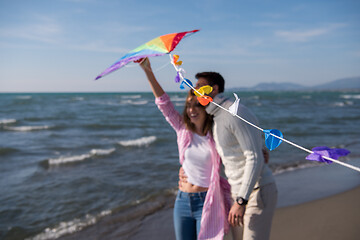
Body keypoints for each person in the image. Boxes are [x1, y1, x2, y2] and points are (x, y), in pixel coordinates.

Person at [137, 58, 231, 240]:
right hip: (182, 201)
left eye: (197, 105)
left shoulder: (217, 133)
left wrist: (259, 149)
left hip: (208, 201)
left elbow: (238, 144)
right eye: (188, 105)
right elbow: (163, 103)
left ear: (206, 107)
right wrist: (148, 71)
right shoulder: (182, 130)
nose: (191, 110)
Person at [180, 72, 277, 240]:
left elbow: (254, 157)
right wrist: (185, 168)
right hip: (237, 192)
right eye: (194, 88)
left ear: (215, 89)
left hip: (256, 191)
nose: (195, 91)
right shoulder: (216, 117)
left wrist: (241, 201)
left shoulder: (234, 112)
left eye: (199, 87)